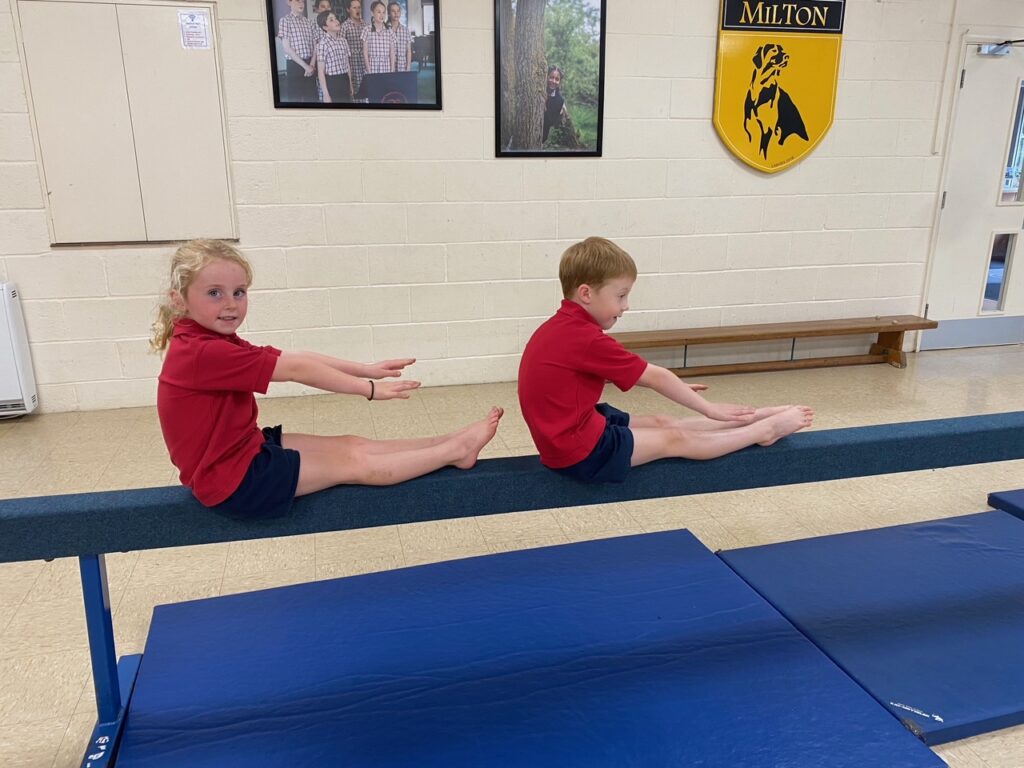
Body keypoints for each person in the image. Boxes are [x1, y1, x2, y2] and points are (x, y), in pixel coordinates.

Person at [152, 240, 503, 519]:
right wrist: (368, 390)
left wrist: (366, 368)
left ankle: (449, 441)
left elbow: (295, 358)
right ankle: (456, 451)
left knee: (352, 443)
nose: (230, 304)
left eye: (239, 292)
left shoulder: (208, 339)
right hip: (233, 481)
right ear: (179, 300)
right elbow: (295, 371)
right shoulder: (201, 352)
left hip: (243, 450)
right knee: (355, 464)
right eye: (214, 293)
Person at [517, 237, 814, 484]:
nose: (626, 306)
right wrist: (710, 409)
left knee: (662, 421)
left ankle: (753, 416)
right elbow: (655, 377)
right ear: (586, 294)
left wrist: (681, 388)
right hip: (577, 450)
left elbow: (627, 374)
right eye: (620, 296)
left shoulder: (562, 327)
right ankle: (762, 431)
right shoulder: (585, 339)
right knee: (674, 439)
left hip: (572, 425)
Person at [277, 0, 318, 103]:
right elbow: (287, 48)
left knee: (312, 98)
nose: (301, 4)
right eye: (297, 1)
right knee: (295, 99)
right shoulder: (285, 21)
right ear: (289, 2)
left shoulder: (309, 22)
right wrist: (306, 67)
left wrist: (312, 64)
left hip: (310, 64)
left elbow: (315, 45)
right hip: (294, 65)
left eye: (302, 1)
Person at [316, 11, 354, 103]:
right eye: (331, 20)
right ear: (325, 27)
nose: (336, 21)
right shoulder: (323, 44)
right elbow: (320, 71)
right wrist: (326, 94)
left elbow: (347, 65)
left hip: (344, 79)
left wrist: (350, 84)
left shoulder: (343, 41)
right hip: (332, 82)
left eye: (336, 18)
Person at [340, 0, 367, 95]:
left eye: (359, 7)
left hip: (365, 61)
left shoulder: (366, 25)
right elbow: (342, 48)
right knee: (355, 91)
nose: (357, 10)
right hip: (352, 62)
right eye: (354, 7)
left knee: (367, 88)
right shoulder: (344, 26)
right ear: (348, 9)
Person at [362, 1, 395, 75]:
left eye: (384, 12)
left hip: (386, 68)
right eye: (379, 12)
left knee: (386, 86)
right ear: (372, 13)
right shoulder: (366, 30)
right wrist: (369, 71)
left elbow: (392, 53)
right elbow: (365, 53)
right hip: (372, 67)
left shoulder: (389, 31)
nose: (382, 15)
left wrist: (392, 70)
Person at [543, 66, 569, 144]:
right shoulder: (537, 89)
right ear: (546, 77)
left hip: (542, 136)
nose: (553, 81)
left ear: (560, 82)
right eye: (551, 77)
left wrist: (546, 102)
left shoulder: (560, 100)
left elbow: (551, 122)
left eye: (557, 79)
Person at [387, 2, 413, 72]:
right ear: (389, 13)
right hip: (388, 66)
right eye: (393, 11)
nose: (396, 13)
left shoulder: (406, 30)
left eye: (398, 11)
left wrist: (408, 67)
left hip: (402, 66)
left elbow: (408, 51)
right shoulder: (385, 29)